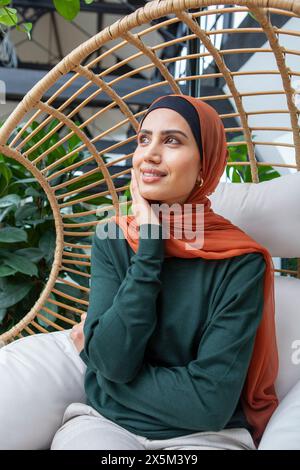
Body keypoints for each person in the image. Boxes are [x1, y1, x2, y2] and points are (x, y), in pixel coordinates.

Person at [3, 94, 279, 451]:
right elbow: (114, 360)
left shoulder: (240, 262)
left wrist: (104, 375)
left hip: (207, 436)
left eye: (172, 140)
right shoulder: (113, 240)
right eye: (144, 139)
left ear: (204, 166)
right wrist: (150, 248)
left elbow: (209, 403)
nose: (150, 153)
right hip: (105, 424)